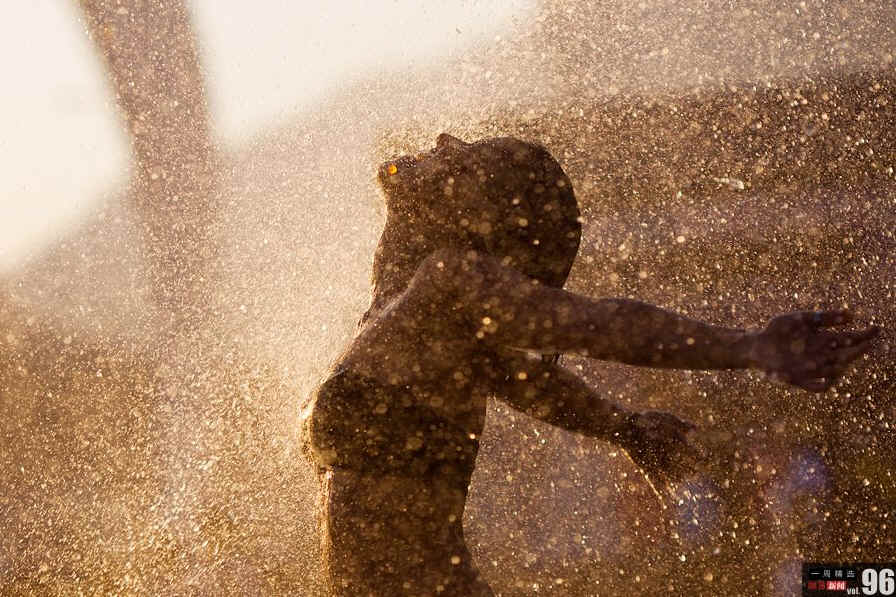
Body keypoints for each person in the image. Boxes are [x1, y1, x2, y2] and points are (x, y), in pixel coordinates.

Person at [301, 133, 879, 596]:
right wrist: (623, 428)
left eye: (470, 158)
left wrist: (746, 348)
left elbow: (600, 325)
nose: (447, 141)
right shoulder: (404, 310)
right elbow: (526, 381)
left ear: (482, 213)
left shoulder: (451, 282)